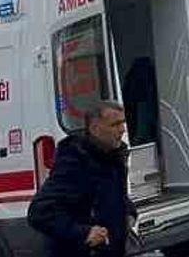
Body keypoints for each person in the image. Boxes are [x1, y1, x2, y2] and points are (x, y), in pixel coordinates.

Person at [28, 102, 137, 257]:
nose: (122, 130)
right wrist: (83, 233)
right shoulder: (75, 163)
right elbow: (39, 212)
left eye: (123, 123)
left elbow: (114, 195)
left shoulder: (115, 158)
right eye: (115, 125)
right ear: (94, 129)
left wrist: (129, 213)